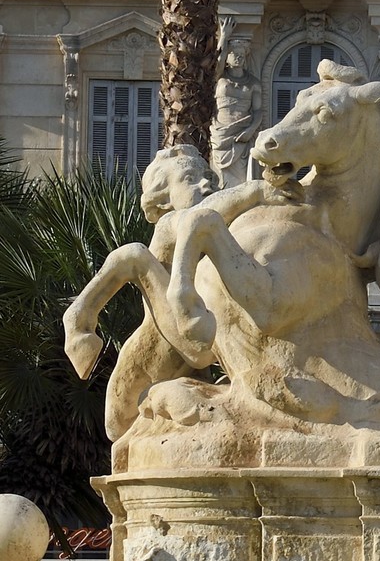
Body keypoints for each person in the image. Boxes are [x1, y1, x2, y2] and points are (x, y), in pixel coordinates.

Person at [62, 144, 267, 439]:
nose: (205, 183)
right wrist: (256, 190)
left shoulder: (218, 237)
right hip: (135, 386)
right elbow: (200, 216)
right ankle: (77, 318)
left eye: (208, 176)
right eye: (189, 179)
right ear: (163, 200)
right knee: (134, 254)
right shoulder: (171, 223)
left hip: (192, 368)